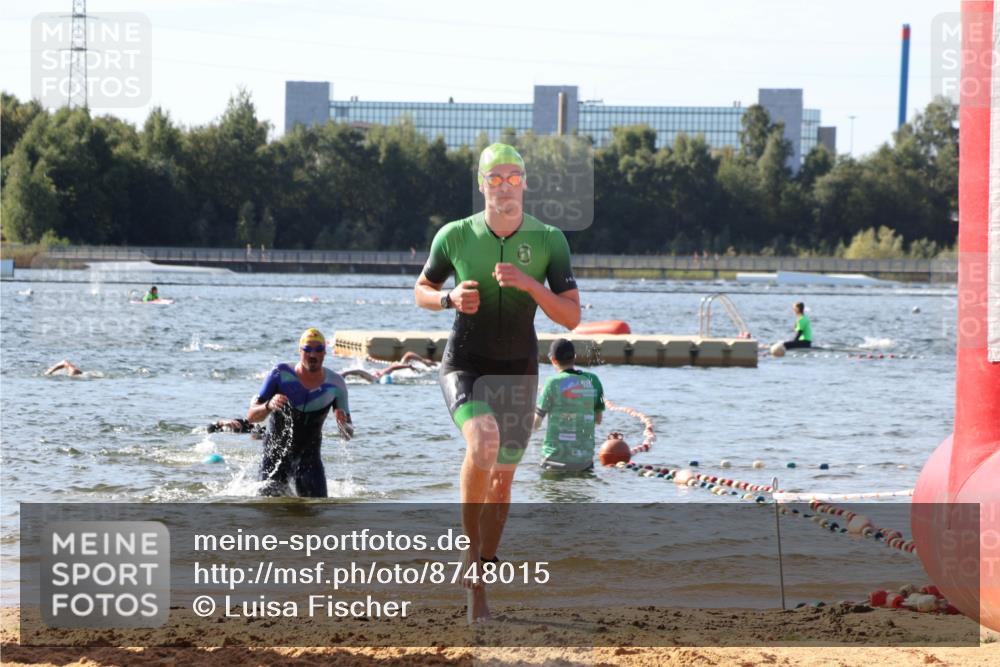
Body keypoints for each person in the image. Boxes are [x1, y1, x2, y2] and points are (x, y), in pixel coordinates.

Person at [414, 142, 581, 622]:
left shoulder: (549, 240)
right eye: (495, 178)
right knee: (482, 441)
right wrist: (447, 300)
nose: (504, 186)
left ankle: (482, 576)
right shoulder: (455, 235)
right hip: (465, 363)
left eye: (513, 177)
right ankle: (470, 557)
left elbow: (571, 317)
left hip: (518, 371)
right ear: (482, 184)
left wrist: (530, 284)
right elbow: (422, 289)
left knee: (502, 483)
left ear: (524, 183)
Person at [246, 328, 353, 497]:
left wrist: (343, 424)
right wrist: (268, 406)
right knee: (268, 508)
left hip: (309, 459)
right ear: (300, 351)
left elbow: (348, 435)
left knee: (318, 508)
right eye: (307, 349)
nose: (313, 354)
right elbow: (251, 416)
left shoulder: (336, 385)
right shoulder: (280, 374)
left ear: (325, 352)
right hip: (275, 457)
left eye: (318, 349)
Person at [533, 339, 605, 472]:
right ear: (574, 357)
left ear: (553, 360)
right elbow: (598, 420)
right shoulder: (593, 380)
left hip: (553, 461)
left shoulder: (552, 383)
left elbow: (535, 424)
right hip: (584, 463)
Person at [341, 352, 438, 384]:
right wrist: (408, 366)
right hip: (398, 372)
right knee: (408, 355)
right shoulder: (376, 378)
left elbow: (359, 371)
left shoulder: (375, 378)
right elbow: (393, 368)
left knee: (408, 355)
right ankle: (425, 362)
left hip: (396, 371)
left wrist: (345, 373)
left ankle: (425, 362)